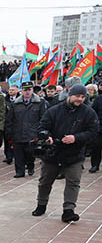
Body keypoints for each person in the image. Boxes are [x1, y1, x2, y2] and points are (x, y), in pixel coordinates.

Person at [32, 84, 100, 222]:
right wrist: (47, 137)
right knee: (45, 181)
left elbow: (93, 132)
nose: (80, 99)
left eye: (82, 96)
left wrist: (76, 138)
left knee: (73, 182)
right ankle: (41, 204)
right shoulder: (54, 110)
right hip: (53, 153)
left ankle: (68, 210)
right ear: (70, 94)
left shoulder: (88, 112)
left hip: (74, 154)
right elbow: (42, 126)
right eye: (77, 96)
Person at [5, 81, 46, 177]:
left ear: (32, 90)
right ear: (21, 91)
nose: (27, 92)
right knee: (18, 154)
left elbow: (43, 118)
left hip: (32, 133)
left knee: (30, 153)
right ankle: (20, 171)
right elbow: (9, 119)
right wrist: (9, 132)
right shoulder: (15, 104)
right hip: (17, 133)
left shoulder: (39, 102)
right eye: (25, 90)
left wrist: (40, 132)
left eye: (29, 90)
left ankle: (30, 166)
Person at [90, 86, 102, 173]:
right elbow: (93, 112)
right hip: (99, 128)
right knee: (96, 147)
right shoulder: (99, 99)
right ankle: (95, 165)